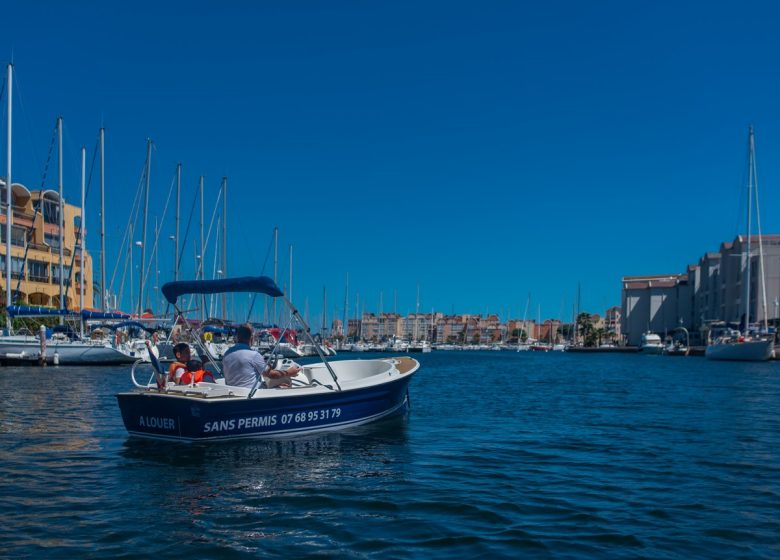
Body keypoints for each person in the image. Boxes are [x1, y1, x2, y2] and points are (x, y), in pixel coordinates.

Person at [222, 323, 300, 388]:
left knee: (275, 384)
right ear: (251, 338)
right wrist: (289, 372)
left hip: (235, 393)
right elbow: (271, 375)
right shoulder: (254, 355)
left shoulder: (227, 354)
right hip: (253, 395)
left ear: (237, 337)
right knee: (285, 384)